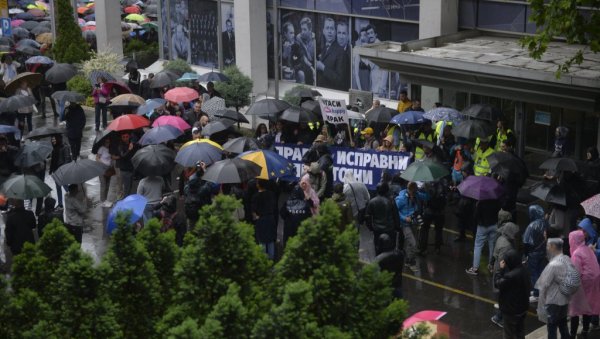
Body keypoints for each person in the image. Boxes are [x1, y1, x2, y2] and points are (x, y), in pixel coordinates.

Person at [535, 238, 573, 339]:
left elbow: (543, 285)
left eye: (548, 246)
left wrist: (542, 304)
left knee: (552, 329)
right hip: (564, 300)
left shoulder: (553, 265)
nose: (547, 248)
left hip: (553, 302)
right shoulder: (566, 259)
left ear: (553, 247)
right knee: (563, 326)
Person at [490, 210, 520, 327]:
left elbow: (494, 255)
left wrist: (491, 263)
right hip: (504, 273)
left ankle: (499, 316)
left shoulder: (501, 239)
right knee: (505, 296)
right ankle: (500, 318)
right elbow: (502, 263)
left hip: (502, 272)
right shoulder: (506, 245)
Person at [568, 230, 600, 339]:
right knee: (587, 308)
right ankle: (585, 331)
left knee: (575, 310)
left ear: (573, 240)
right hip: (593, 283)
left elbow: (575, 273)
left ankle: (572, 334)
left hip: (583, 284)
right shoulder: (587, 249)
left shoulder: (577, 254)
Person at [494, 249, 531, 339]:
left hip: (511, 311)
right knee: (520, 331)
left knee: (508, 333)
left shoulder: (510, 276)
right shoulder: (524, 270)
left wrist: (500, 270)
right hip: (523, 308)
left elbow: (497, 283)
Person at [395, 181, 429, 271]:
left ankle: (407, 260)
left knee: (410, 243)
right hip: (405, 224)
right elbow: (395, 210)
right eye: (413, 192)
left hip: (414, 222)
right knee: (413, 244)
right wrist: (404, 218)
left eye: (415, 191)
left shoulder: (416, 194)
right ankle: (412, 263)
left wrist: (427, 188)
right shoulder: (401, 199)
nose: (414, 194)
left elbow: (426, 197)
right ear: (409, 189)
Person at [466, 197, 501, 275]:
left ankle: (475, 268)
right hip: (494, 225)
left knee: (478, 246)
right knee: (492, 245)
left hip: (482, 226)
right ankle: (491, 266)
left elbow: (476, 216)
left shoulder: (481, 203)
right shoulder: (496, 201)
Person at [366, 183, 401, 255]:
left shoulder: (372, 201)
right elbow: (396, 215)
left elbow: (367, 216)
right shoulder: (391, 201)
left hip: (377, 229)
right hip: (390, 229)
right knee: (390, 249)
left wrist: (371, 227)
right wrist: (397, 227)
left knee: (378, 248)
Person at [523, 205, 548, 303]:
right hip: (543, 252)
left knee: (534, 273)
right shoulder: (545, 223)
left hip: (533, 253)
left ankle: (536, 293)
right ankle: (539, 291)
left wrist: (525, 254)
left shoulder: (531, 225)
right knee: (541, 272)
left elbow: (526, 241)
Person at [316, 18, 347, 90]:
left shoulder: (341, 52)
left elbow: (340, 80)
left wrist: (323, 68)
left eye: (332, 28)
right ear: (323, 31)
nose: (329, 31)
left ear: (335, 32)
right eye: (327, 28)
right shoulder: (324, 48)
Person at [280, 183, 314, 247]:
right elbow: (309, 217)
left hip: (289, 231)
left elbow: (282, 214)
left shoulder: (287, 203)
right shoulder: (305, 204)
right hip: (300, 231)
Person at [251, 179, 278, 260]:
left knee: (262, 241)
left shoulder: (255, 196)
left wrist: (255, 217)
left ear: (258, 185)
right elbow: (274, 207)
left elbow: (253, 211)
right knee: (270, 241)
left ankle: (263, 260)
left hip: (261, 219)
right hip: (270, 218)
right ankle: (271, 260)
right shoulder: (271, 194)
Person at [375, 233, 405, 299]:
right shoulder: (399, 253)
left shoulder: (379, 259)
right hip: (397, 284)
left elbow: (376, 274)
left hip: (386, 286)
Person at [49, 135, 72, 208]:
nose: (53, 141)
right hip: (55, 170)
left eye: (54, 139)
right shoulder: (53, 148)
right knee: (58, 187)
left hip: (61, 170)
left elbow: (67, 159)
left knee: (65, 185)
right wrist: (51, 169)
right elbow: (53, 160)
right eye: (52, 140)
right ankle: (60, 203)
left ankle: (72, 199)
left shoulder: (64, 147)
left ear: (58, 139)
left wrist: (63, 169)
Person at [113, 132, 138, 198]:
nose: (125, 138)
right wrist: (129, 150)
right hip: (125, 170)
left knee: (133, 188)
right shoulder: (120, 146)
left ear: (129, 136)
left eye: (127, 137)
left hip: (132, 168)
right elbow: (123, 156)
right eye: (123, 137)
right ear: (121, 138)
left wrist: (132, 145)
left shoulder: (132, 143)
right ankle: (126, 201)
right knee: (127, 188)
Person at [296, 16, 315, 85]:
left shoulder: (315, 39)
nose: (302, 32)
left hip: (314, 63)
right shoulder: (299, 38)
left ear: (310, 29)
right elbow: (301, 55)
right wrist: (311, 67)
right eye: (301, 29)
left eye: (305, 29)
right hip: (303, 64)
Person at [96, 137, 114, 207]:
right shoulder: (101, 149)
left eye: (109, 142)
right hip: (102, 169)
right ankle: (102, 201)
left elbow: (111, 158)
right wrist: (103, 164)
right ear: (104, 142)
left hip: (109, 169)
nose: (108, 143)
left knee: (107, 185)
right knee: (103, 185)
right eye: (106, 142)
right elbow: (97, 158)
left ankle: (105, 199)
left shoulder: (110, 149)